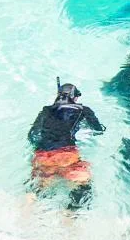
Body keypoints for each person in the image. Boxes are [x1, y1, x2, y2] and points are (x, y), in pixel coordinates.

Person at [27, 81, 105, 209]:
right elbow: (98, 130)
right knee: (84, 188)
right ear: (74, 97)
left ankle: (25, 210)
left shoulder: (46, 110)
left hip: (42, 156)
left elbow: (32, 135)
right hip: (67, 156)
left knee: (35, 191)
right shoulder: (83, 110)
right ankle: (69, 217)